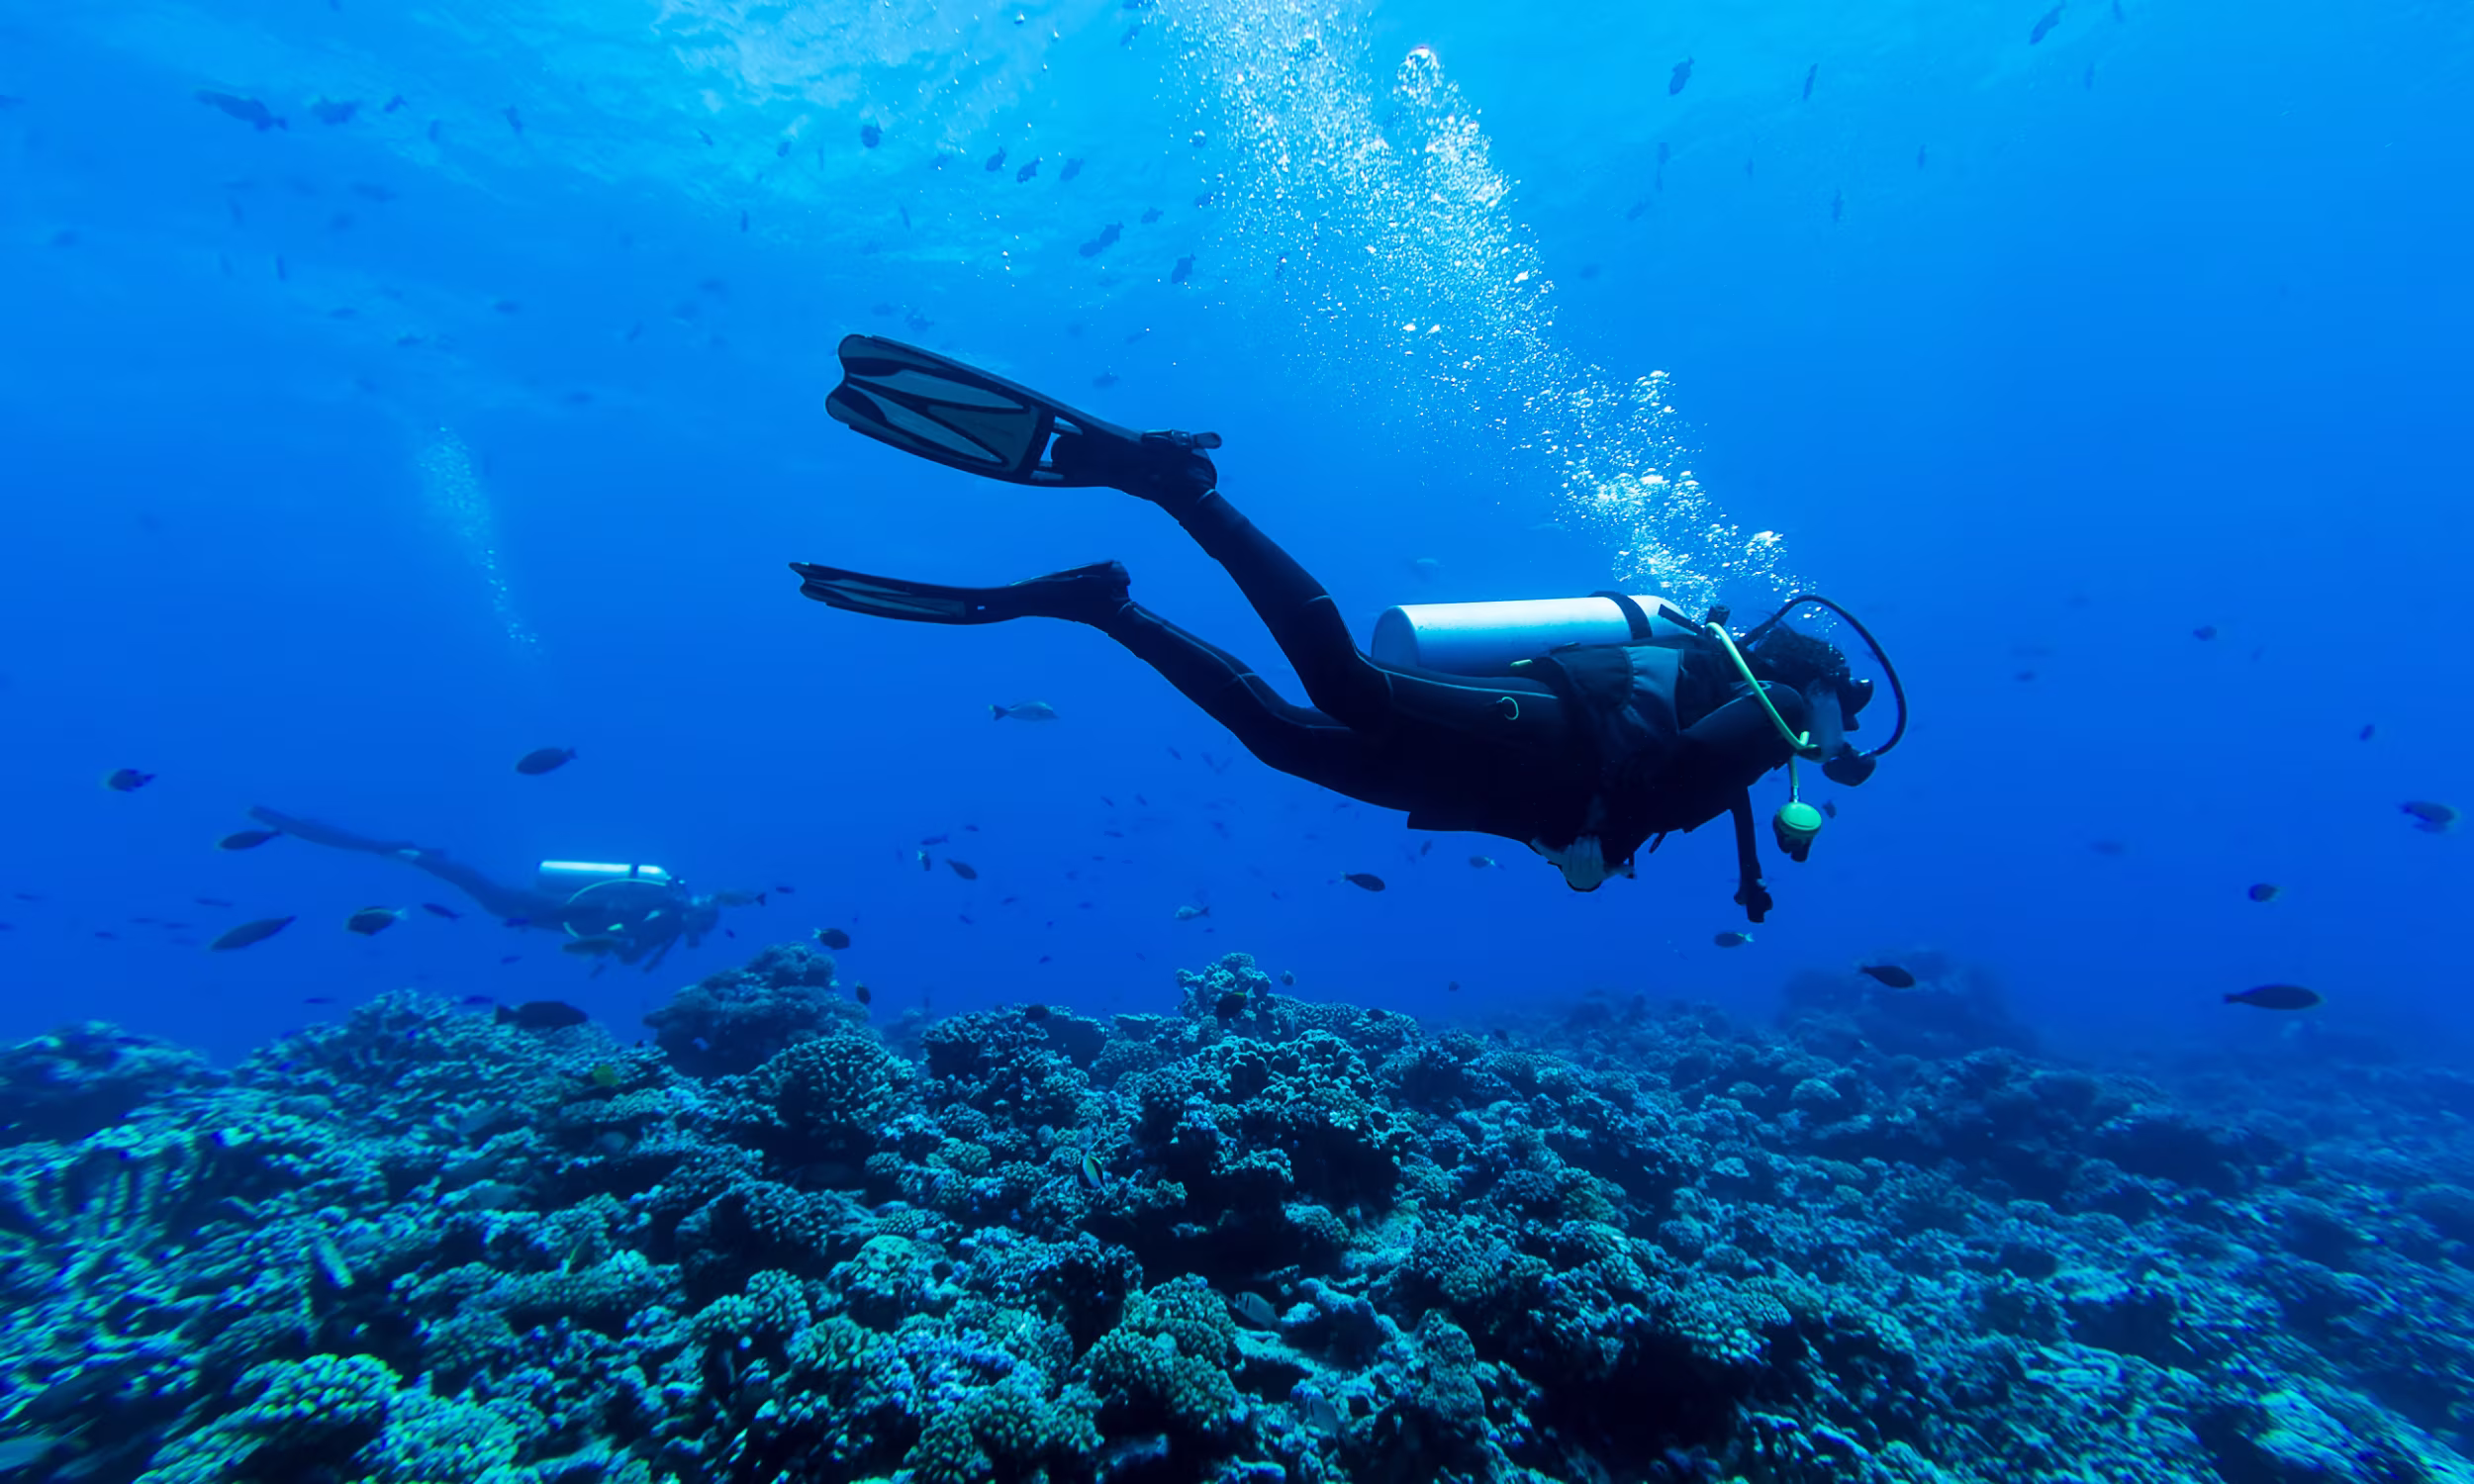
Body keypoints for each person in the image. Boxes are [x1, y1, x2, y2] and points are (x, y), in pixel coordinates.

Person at [793, 337, 1904, 919]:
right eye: (1840, 718)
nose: (1835, 746)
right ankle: (1181, 487)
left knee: (1280, 736)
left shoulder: (1759, 723)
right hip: (1550, 734)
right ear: (1819, 692)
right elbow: (1666, 778)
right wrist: (1602, 853)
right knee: (1341, 688)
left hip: (1511, 787)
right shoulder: (1767, 725)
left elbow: (1663, 793)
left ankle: (1106, 605)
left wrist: (1590, 845)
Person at [245, 805, 726, 968]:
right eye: (702, 927)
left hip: (550, 912)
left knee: (489, 896)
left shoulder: (664, 910)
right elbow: (623, 942)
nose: (698, 934)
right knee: (486, 892)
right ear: (697, 914)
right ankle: (416, 855)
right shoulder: (664, 911)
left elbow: (620, 940)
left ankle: (418, 857)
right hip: (544, 907)